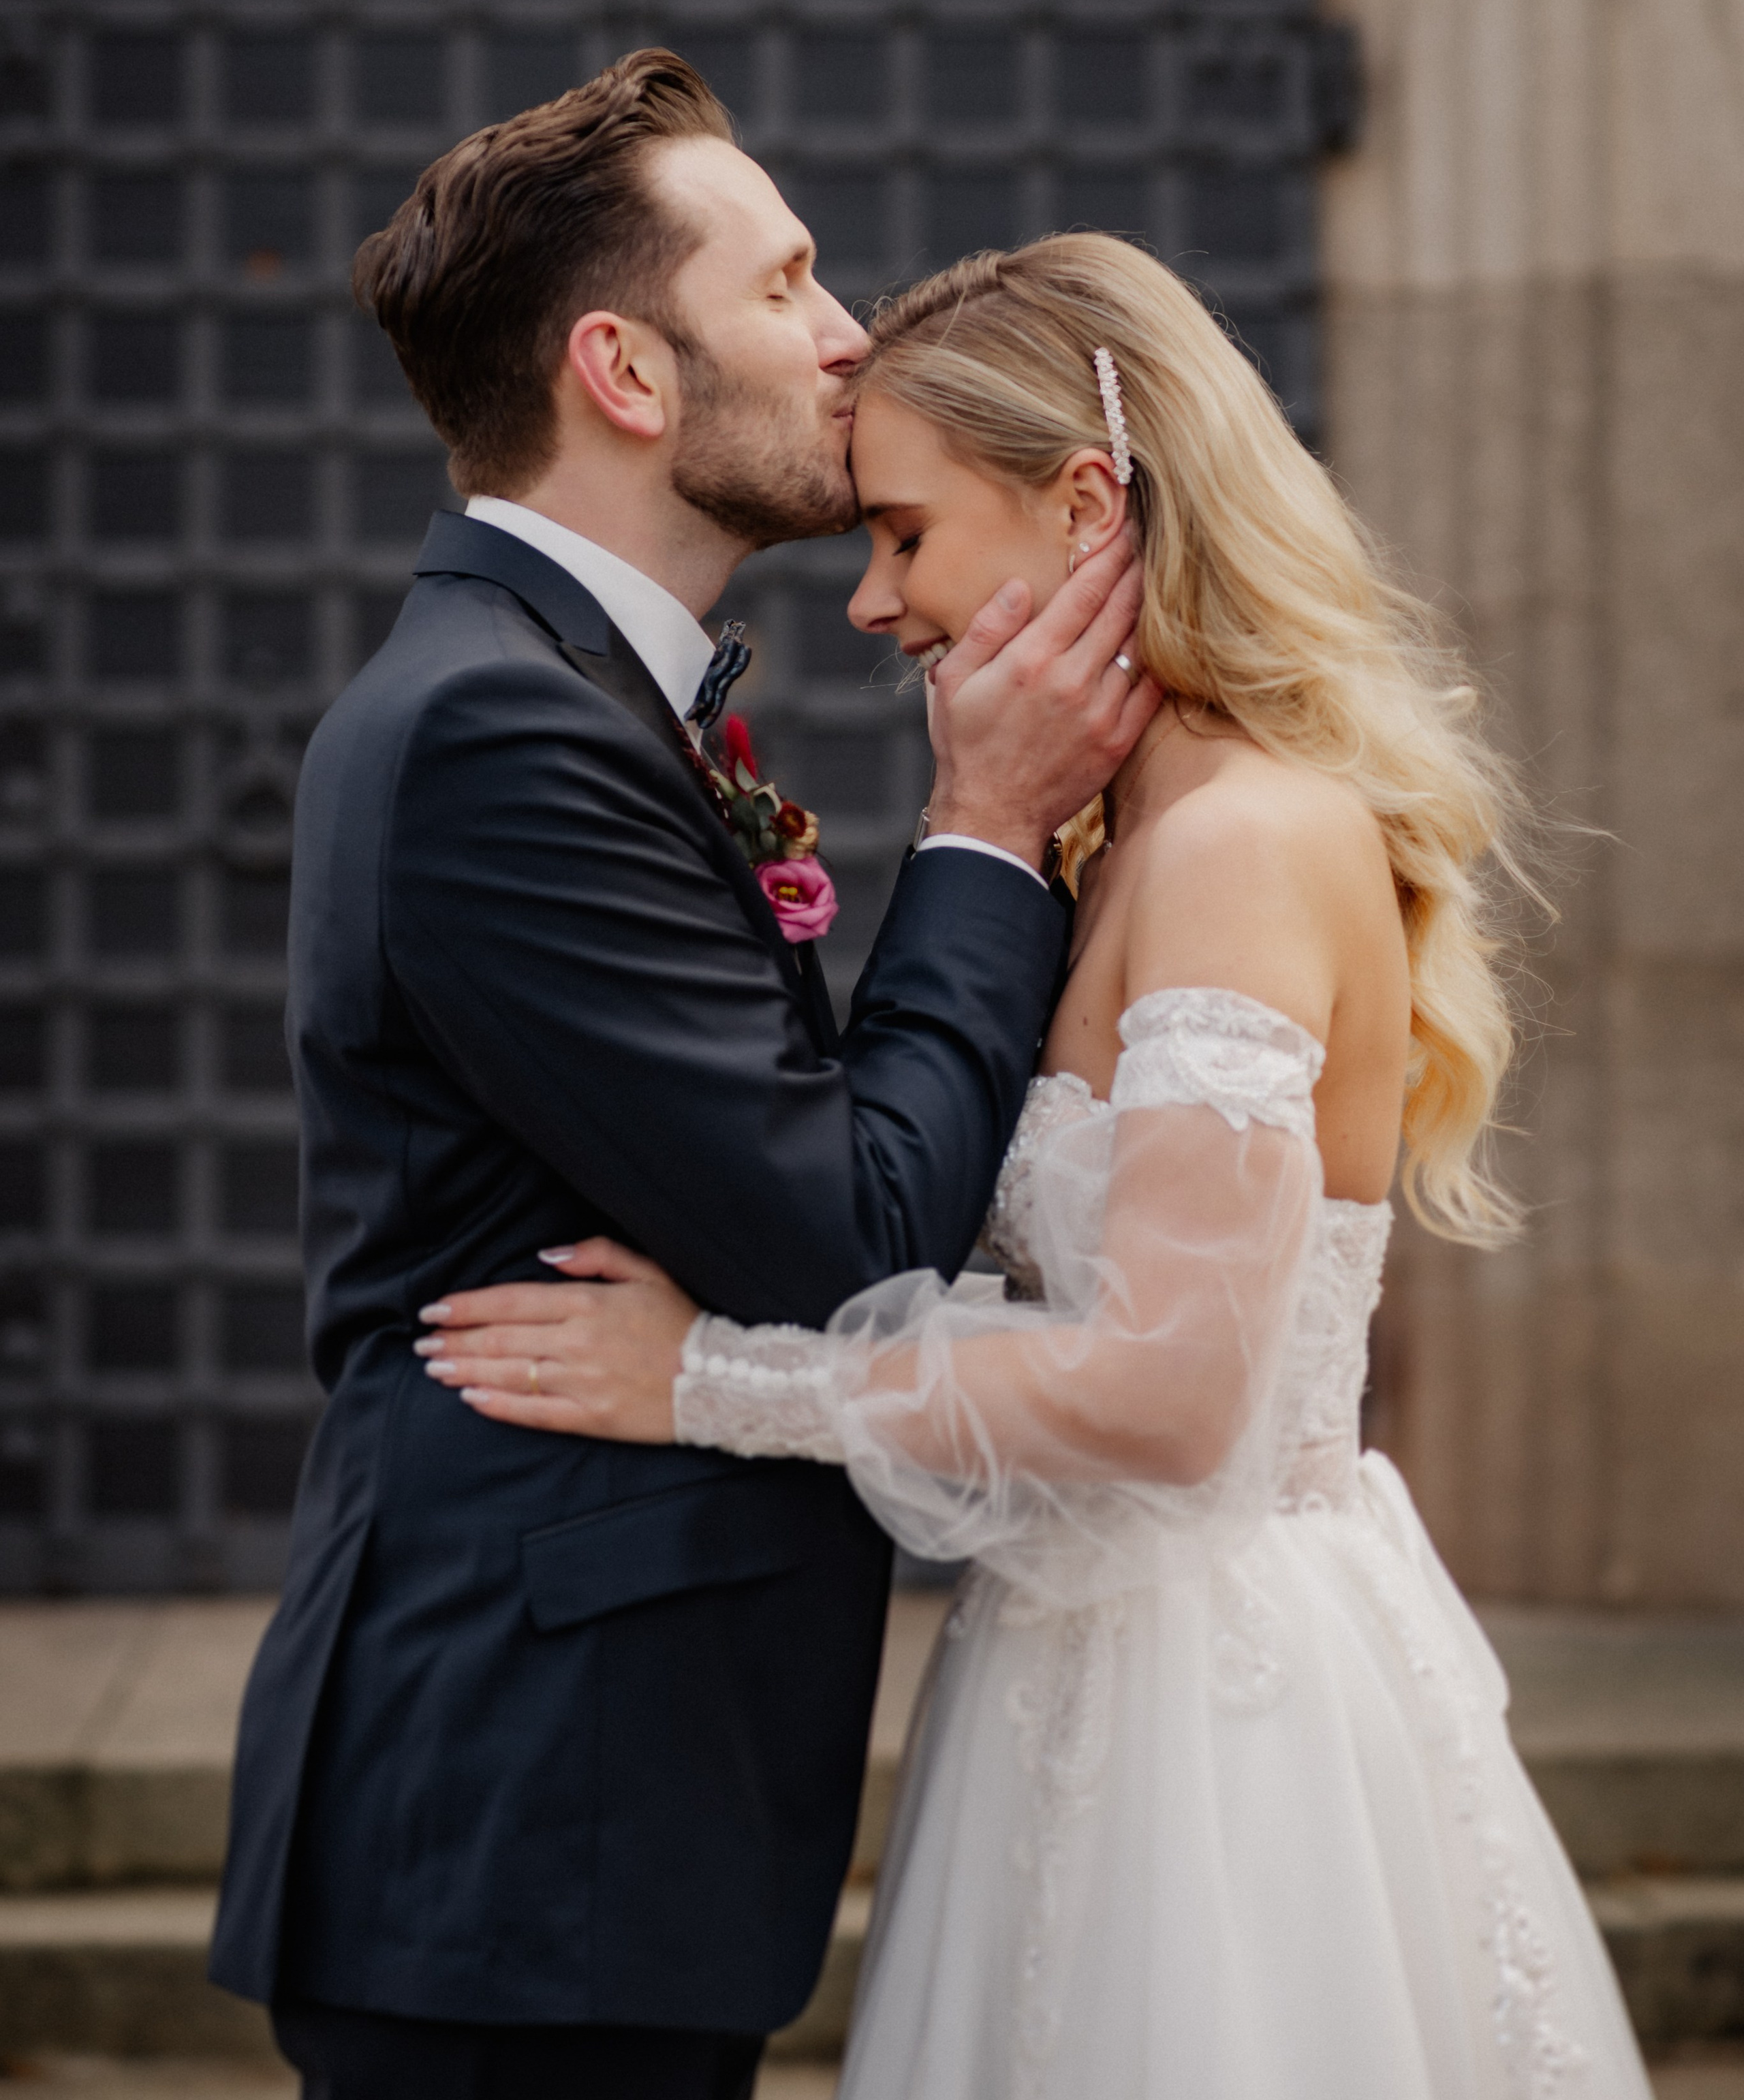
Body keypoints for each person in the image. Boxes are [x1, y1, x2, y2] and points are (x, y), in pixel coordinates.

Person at [426, 232, 1654, 2099]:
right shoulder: (1116, 852)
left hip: (1217, 1727)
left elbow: (1172, 1392)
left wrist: (708, 1380)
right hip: (1072, 1669)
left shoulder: (1244, 841)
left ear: (1089, 505)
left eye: (906, 535)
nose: (868, 601)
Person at [207, 55, 1162, 2100]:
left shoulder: (552, 699)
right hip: (523, 1825)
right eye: (793, 282)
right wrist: (987, 828)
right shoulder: (497, 733)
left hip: (580, 1805)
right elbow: (849, 1226)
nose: (852, 335)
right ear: (626, 370)